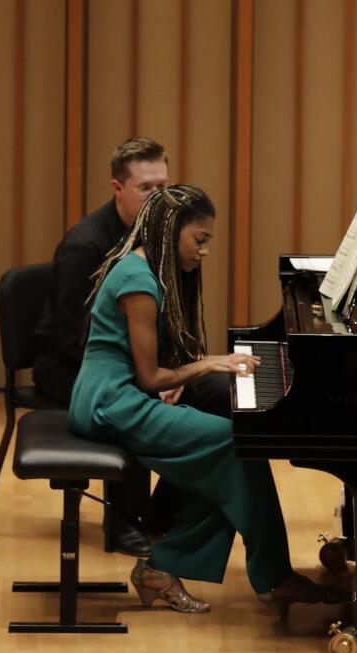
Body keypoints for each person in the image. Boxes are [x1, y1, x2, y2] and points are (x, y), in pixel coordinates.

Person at [69, 184, 336, 615]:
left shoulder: (145, 269)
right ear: (170, 231)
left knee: (233, 460)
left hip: (118, 395)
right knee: (238, 447)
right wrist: (210, 364)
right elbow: (151, 376)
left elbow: (152, 367)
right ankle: (273, 578)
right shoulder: (138, 281)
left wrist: (191, 369)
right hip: (109, 404)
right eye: (200, 240)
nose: (204, 251)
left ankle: (166, 568)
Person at [34, 137, 231, 557]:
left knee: (221, 395)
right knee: (137, 399)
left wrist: (175, 368)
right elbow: (74, 336)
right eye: (146, 189)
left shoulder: (172, 238)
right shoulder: (85, 245)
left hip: (141, 362)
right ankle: (122, 522)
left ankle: (164, 512)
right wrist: (154, 377)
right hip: (71, 364)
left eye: (163, 187)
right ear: (118, 188)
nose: (157, 197)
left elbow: (172, 320)